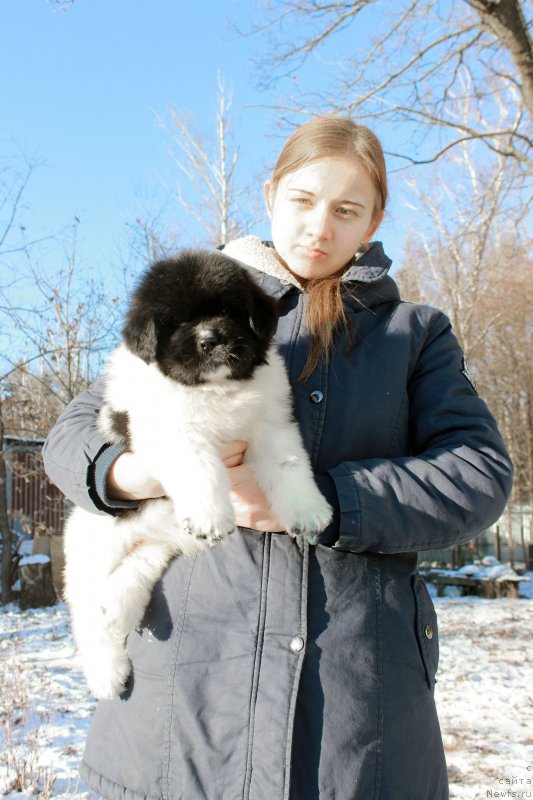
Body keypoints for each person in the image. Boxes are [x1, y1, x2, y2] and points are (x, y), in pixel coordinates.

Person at [43, 116, 513, 800]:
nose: (318, 227)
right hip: (185, 700)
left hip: (354, 709)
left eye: (345, 210)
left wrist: (323, 503)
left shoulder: (413, 334)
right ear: (270, 195)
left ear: (374, 219)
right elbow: (71, 434)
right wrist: (134, 472)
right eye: (301, 200)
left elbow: (477, 474)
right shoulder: (193, 306)